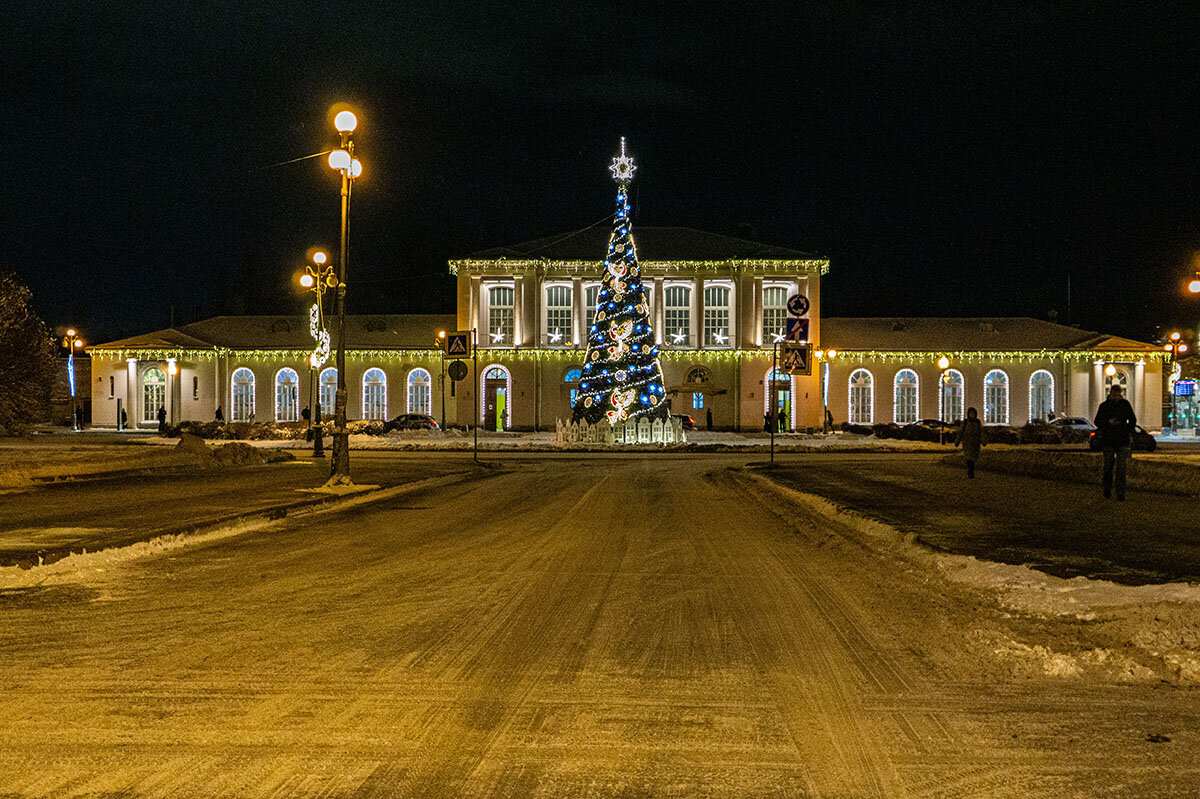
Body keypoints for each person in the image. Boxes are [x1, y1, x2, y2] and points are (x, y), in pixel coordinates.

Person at [1094, 383, 1136, 500]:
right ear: (1110, 393)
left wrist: (1125, 429)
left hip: (1121, 440)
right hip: (1108, 440)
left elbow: (1132, 420)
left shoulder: (1125, 405)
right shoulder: (1104, 406)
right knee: (1108, 466)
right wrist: (1108, 422)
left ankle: (1120, 492)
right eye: (1114, 394)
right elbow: (1097, 421)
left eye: (1118, 394)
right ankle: (1107, 487)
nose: (1116, 396)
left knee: (1121, 467)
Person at [955, 406, 983, 478]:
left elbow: (981, 432)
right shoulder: (965, 422)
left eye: (973, 413)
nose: (972, 415)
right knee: (969, 458)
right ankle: (970, 472)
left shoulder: (977, 422)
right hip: (967, 443)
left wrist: (984, 441)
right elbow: (961, 432)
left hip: (975, 443)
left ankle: (971, 470)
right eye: (971, 413)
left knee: (974, 458)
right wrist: (957, 441)